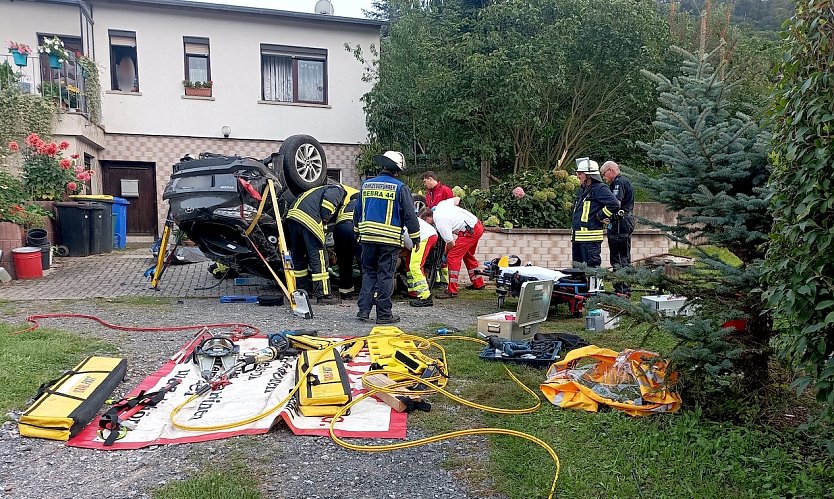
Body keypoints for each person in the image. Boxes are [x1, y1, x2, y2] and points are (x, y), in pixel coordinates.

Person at [354, 151, 421, 324]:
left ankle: (363, 311)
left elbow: (358, 211)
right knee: (385, 275)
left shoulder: (366, 185)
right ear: (397, 171)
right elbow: (410, 215)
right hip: (389, 241)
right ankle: (384, 315)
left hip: (367, 238)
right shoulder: (400, 187)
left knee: (369, 273)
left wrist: (357, 232)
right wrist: (415, 238)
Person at [285, 183, 346, 305]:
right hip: (308, 221)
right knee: (319, 257)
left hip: (292, 221)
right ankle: (323, 295)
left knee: (298, 259)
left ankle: (302, 293)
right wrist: (325, 220)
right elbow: (329, 202)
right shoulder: (338, 189)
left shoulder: (313, 191)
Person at [421, 197, 485, 299]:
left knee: (453, 257)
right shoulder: (441, 205)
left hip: (469, 232)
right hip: (476, 225)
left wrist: (445, 255)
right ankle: (478, 283)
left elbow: (451, 244)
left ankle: (452, 290)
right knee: (467, 255)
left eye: (426, 222)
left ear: (428, 218)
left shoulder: (440, 223)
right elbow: (457, 199)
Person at [571, 158, 620, 268]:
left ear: (589, 175)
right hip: (578, 238)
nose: (577, 176)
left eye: (580, 173)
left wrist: (600, 215)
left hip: (590, 240)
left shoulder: (599, 188)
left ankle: (595, 286)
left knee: (592, 270)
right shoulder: (583, 190)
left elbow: (614, 204)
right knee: (578, 272)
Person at [600, 160, 635, 295]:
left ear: (611, 170)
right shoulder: (623, 182)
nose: (604, 178)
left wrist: (603, 215)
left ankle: (622, 291)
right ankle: (625, 289)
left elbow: (615, 203)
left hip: (620, 223)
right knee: (624, 258)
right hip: (624, 222)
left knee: (619, 259)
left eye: (604, 174)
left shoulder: (618, 183)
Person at [332, 185, 361, 300]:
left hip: (339, 230)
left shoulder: (344, 206)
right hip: (353, 229)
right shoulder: (361, 204)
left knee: (344, 262)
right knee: (363, 261)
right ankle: (367, 292)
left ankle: (345, 292)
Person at [403, 216, 439, 307]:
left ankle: (425, 296)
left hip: (424, 236)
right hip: (420, 237)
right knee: (408, 264)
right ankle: (413, 291)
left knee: (415, 266)